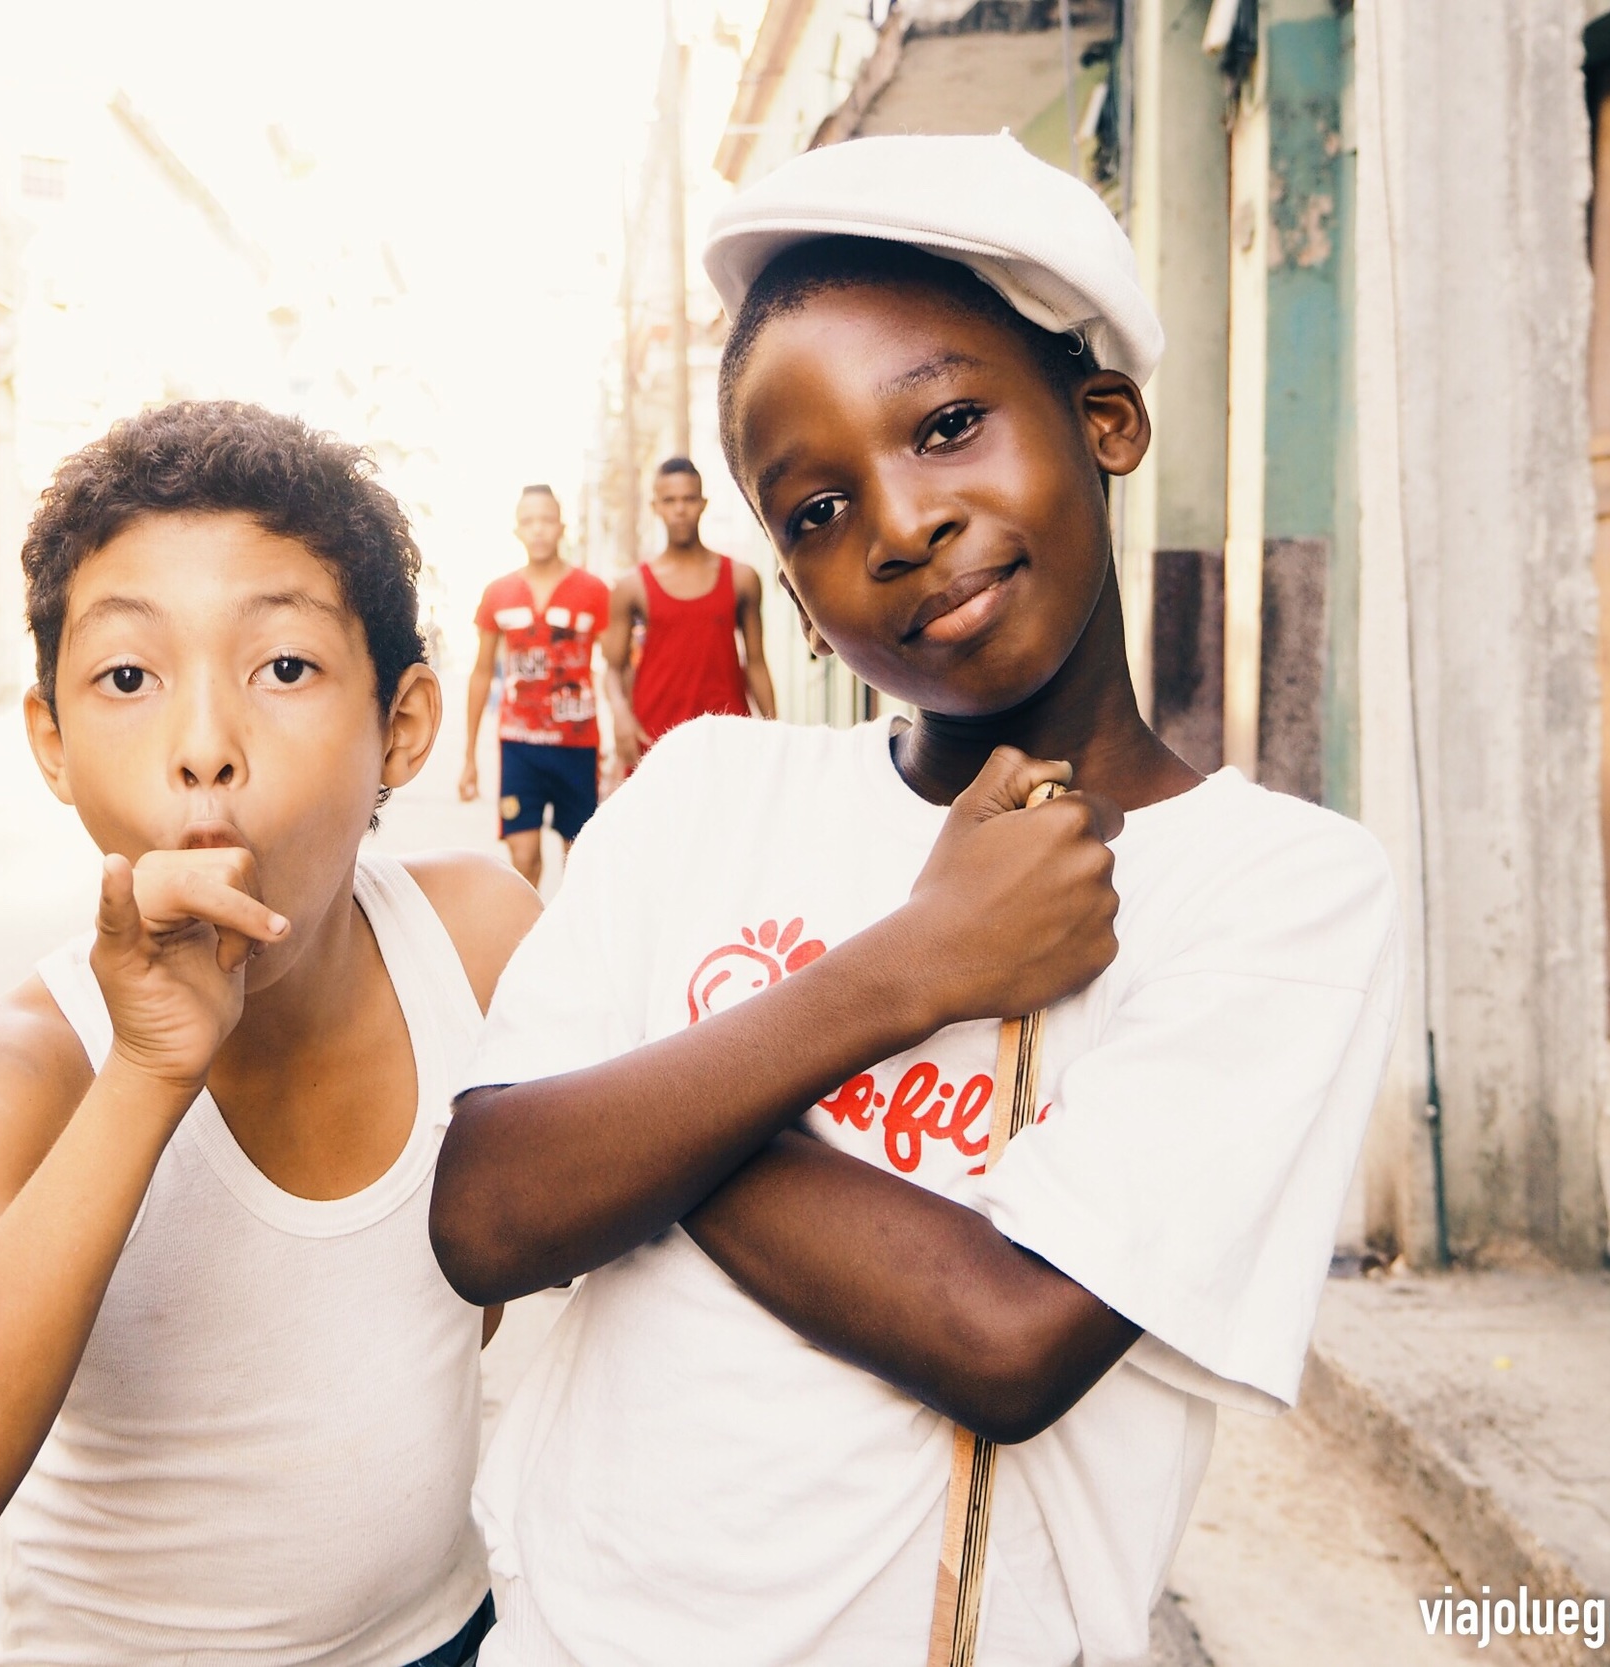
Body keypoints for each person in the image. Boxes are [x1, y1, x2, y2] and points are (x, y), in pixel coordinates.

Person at [430, 134, 1401, 1666]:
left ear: (1106, 418)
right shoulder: (706, 794)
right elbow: (490, 1207)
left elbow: (1003, 1336)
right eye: (813, 511)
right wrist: (910, 968)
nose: (897, 525)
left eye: (947, 423)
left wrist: (643, 1128)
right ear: (796, 602)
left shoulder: (1280, 889)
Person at [0, 402, 539, 1667]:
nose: (204, 748)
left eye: (283, 667)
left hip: (446, 1633)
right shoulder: (21, 1068)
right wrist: (150, 1069)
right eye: (126, 677)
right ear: (50, 739)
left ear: (403, 725)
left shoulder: (481, 943)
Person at [458, 485, 612, 889]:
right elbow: (480, 673)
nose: (538, 529)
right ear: (517, 531)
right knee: (523, 859)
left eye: (546, 519)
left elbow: (615, 668)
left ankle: (575, 944)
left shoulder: (594, 592)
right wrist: (470, 756)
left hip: (576, 748)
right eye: (529, 521)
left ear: (561, 526)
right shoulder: (498, 593)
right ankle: (531, 945)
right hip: (520, 747)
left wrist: (619, 744)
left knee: (579, 859)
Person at [599, 457, 778, 776]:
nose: (679, 509)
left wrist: (774, 732)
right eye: (669, 501)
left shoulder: (741, 579)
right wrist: (621, 716)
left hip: (728, 738)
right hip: (653, 738)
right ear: (656, 506)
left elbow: (756, 663)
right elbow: (613, 669)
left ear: (703, 503)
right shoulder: (631, 587)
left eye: (688, 499)